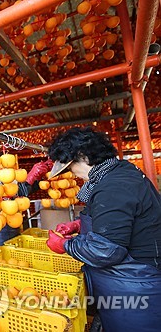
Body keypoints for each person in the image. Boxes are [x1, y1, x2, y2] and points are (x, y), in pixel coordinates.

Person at [45, 127, 161, 331]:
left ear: (82, 156)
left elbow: (106, 250)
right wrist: (78, 225)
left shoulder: (113, 186)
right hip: (127, 285)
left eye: (71, 168)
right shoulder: (119, 172)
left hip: (134, 288)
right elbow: (122, 218)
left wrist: (65, 244)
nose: (74, 175)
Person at [0, 152, 53, 254]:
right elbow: (7, 199)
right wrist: (30, 177)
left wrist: (39, 179)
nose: (0, 166)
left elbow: (22, 193)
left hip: (12, 226)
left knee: (11, 258)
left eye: (1, 163)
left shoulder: (7, 180)